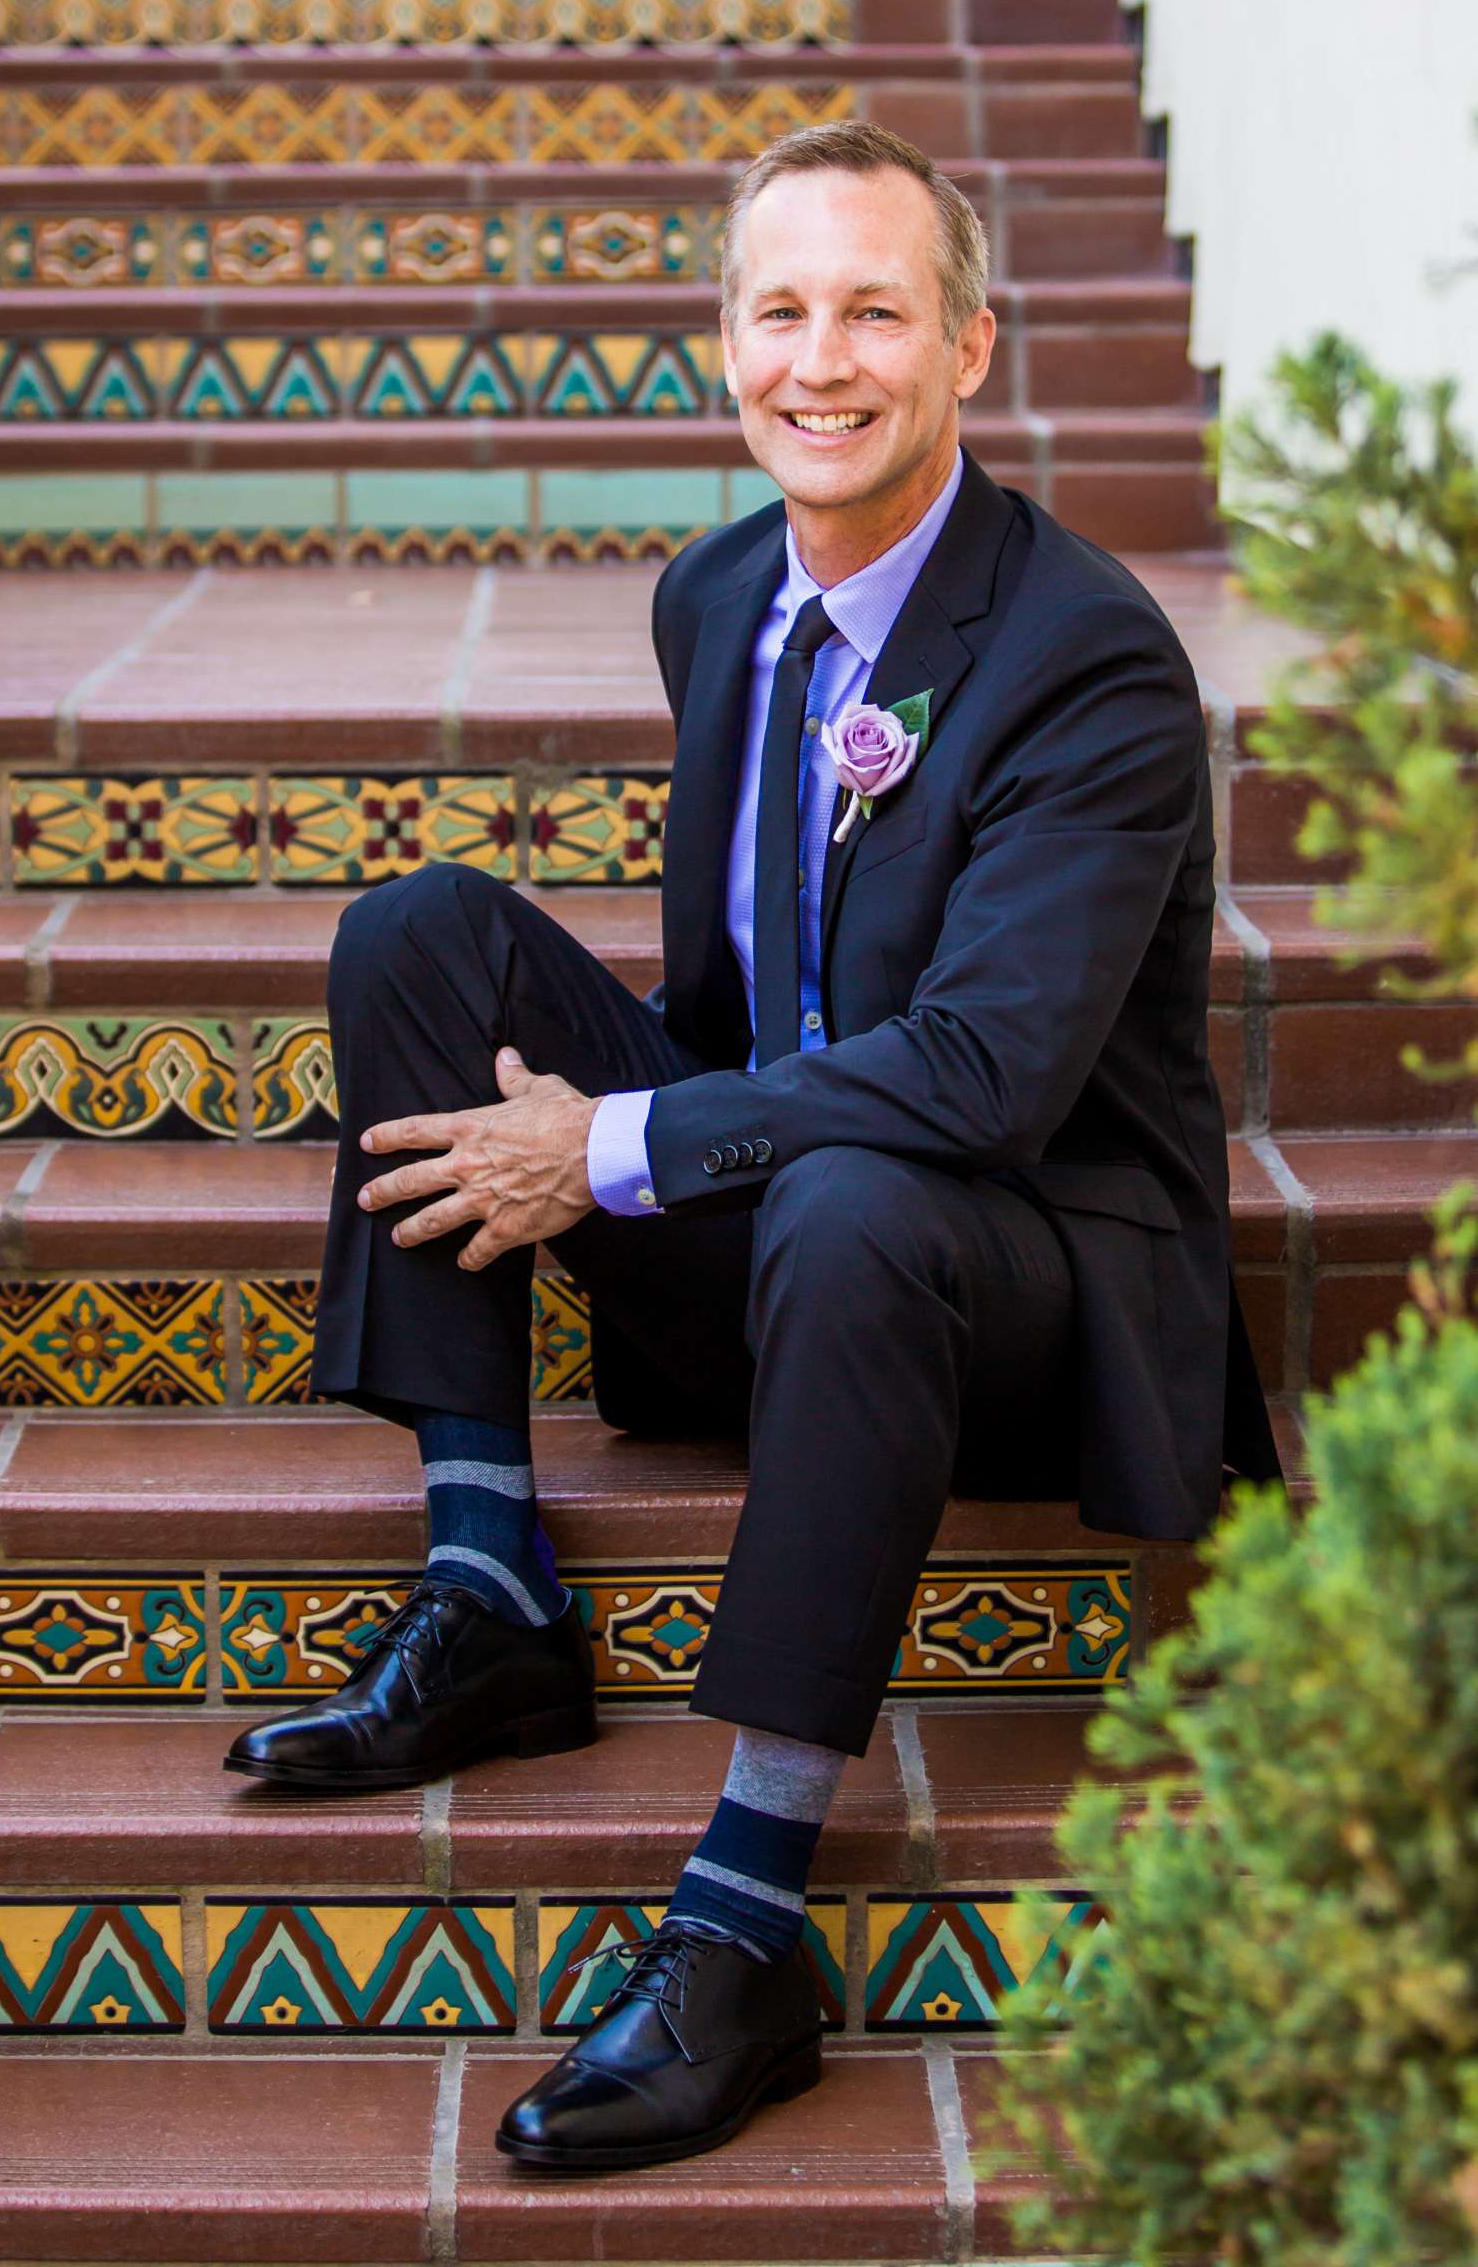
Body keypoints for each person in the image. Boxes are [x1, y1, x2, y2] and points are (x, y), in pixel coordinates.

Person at [224, 119, 1280, 2170]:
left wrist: (608, 1151)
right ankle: (490, 1589)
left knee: (862, 1194)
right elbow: (734, 1006)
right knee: (421, 936)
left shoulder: (1085, 659)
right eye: (777, 310)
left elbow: (979, 1075)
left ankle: (742, 1921)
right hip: (778, 1234)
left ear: (966, 346)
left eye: (872, 310)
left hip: (1013, 1285)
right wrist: (634, 1133)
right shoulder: (714, 594)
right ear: (721, 345)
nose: (821, 359)